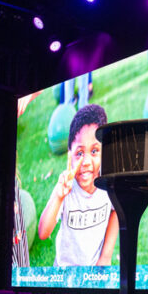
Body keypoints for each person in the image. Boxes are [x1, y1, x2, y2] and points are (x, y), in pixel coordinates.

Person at [38, 104, 120, 266]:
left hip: (94, 272)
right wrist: (58, 196)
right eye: (80, 153)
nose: (87, 162)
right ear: (70, 155)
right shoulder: (66, 187)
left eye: (95, 151)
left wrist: (105, 256)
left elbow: (116, 211)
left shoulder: (108, 183)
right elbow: (43, 232)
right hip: (64, 272)